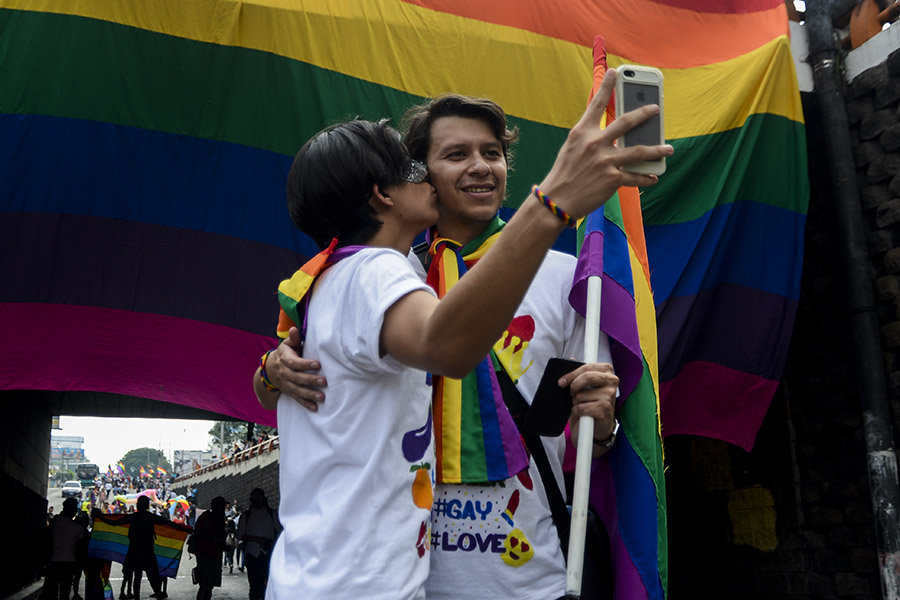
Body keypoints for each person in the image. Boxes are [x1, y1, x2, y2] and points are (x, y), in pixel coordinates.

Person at [253, 69, 669, 599]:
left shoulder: (565, 279)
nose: (480, 167)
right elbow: (302, 379)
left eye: (492, 153)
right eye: (455, 155)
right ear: (416, 177)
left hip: (521, 567)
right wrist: (271, 369)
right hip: (412, 576)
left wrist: (602, 423)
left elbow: (586, 442)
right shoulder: (377, 271)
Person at [235, 489, 280, 600]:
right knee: (254, 586)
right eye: (255, 497)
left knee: (268, 585)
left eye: (259, 497)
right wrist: (257, 540)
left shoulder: (272, 514)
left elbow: (280, 532)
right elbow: (240, 535)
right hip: (252, 554)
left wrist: (271, 543)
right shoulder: (246, 515)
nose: (257, 500)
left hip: (269, 554)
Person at [120, 496, 168, 600]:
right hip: (148, 551)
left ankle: (137, 597)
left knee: (137, 576)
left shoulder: (133, 517)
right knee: (153, 576)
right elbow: (168, 523)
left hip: (134, 550)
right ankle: (158, 594)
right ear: (147, 506)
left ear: (138, 505)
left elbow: (115, 522)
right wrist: (186, 529)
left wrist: (100, 518)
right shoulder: (150, 517)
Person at [40, 497, 86, 600]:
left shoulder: (54, 524)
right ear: (74, 510)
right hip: (69, 563)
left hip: (54, 562)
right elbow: (83, 541)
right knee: (65, 593)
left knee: (52, 593)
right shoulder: (77, 527)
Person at [191, 497, 227, 600]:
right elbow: (200, 534)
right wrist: (215, 540)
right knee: (206, 584)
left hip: (207, 554)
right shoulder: (212, 518)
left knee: (207, 585)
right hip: (208, 555)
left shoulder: (207, 517)